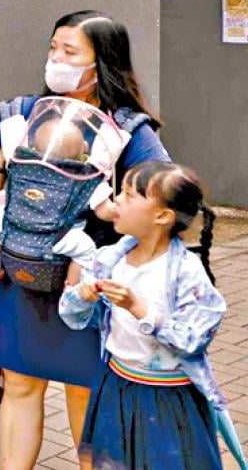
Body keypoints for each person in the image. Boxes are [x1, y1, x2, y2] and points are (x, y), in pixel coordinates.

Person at [0, 10, 170, 469]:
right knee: (19, 384)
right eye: (53, 48)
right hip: (17, 273)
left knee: (85, 391)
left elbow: (164, 198)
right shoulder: (19, 116)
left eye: (70, 52)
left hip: (87, 285)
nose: (56, 59)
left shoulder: (127, 131)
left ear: (103, 63)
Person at [60, 162, 230, 469]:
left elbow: (193, 339)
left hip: (169, 398)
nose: (117, 199)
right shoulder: (109, 259)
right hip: (116, 386)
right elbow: (72, 316)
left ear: (162, 216)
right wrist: (82, 296)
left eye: (129, 194)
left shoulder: (185, 272)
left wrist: (138, 308)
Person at [0, 116, 100, 285]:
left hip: (12, 227)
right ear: (85, 148)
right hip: (55, 238)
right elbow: (103, 210)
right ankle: (71, 286)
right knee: (86, 250)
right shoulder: (83, 178)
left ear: (34, 148)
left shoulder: (24, 166)